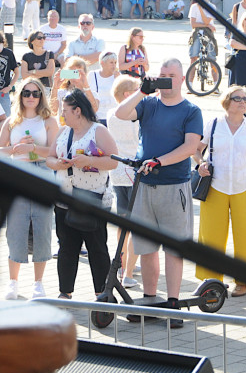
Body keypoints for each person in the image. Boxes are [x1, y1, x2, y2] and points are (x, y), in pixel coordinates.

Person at [113, 58, 202, 328]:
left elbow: (190, 148)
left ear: (182, 79)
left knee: (173, 248)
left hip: (174, 186)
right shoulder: (149, 104)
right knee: (146, 247)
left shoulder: (191, 110)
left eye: (171, 75)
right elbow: (120, 114)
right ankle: (150, 300)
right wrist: (142, 90)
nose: (165, 79)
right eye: (161, 74)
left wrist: (160, 161)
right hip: (144, 186)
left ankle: (173, 302)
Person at [194, 85, 246, 297]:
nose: (242, 102)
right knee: (211, 236)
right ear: (227, 101)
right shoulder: (213, 124)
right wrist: (200, 163)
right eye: (237, 98)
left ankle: (243, 281)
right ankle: (211, 282)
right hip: (215, 187)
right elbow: (196, 149)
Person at [48, 88, 119, 299]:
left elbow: (114, 161)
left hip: (92, 200)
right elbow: (49, 158)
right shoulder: (63, 131)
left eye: (65, 110)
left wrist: (90, 161)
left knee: (97, 248)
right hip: (64, 199)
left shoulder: (99, 131)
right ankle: (65, 292)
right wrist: (58, 164)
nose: (62, 114)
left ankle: (103, 294)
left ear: (77, 111)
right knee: (67, 248)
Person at [0, 77, 60, 300]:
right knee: (15, 229)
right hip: (17, 174)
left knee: (42, 228)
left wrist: (32, 147)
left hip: (41, 173)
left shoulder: (49, 120)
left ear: (41, 96)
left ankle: (38, 283)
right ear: (20, 95)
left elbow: (55, 150)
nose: (31, 97)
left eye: (35, 93)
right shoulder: (12, 121)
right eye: (26, 93)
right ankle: (13, 283)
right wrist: (15, 149)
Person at [107, 75, 142, 289]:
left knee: (123, 222)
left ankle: (121, 264)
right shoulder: (133, 117)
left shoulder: (111, 114)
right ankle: (127, 273)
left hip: (118, 173)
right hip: (133, 172)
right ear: (128, 95)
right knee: (136, 225)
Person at [188, 0, 217, 65]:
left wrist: (200, 8)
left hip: (208, 33)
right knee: (193, 58)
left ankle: (216, 77)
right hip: (197, 32)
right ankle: (190, 77)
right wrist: (208, 25)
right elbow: (193, 24)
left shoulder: (212, 7)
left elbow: (206, 20)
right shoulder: (194, 7)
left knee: (212, 59)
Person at [89, 51, 119, 124]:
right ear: (102, 63)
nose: (114, 65)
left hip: (113, 117)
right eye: (111, 63)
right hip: (96, 116)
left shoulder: (118, 76)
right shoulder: (92, 75)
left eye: (115, 62)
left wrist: (117, 81)